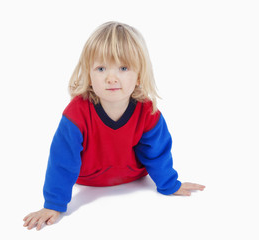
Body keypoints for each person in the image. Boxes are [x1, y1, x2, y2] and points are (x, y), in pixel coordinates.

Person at [23, 21, 205, 231]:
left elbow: (157, 153)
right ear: (89, 75)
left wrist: (170, 184)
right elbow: (62, 159)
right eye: (101, 68)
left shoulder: (147, 111)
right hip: (87, 180)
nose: (111, 78)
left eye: (123, 68)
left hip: (134, 180)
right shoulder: (77, 113)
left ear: (138, 75)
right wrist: (54, 204)